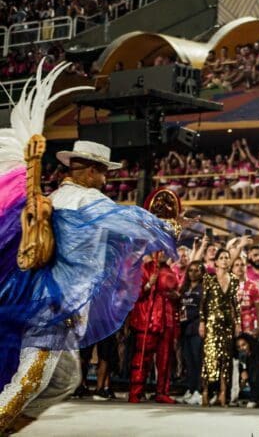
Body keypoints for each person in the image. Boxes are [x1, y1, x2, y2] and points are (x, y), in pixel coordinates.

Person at [0, 69, 178, 436]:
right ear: (89, 171)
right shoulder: (87, 199)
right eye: (103, 172)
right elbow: (125, 220)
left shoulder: (59, 197)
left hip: (53, 303)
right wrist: (167, 228)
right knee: (31, 380)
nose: (106, 179)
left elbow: (113, 237)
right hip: (52, 306)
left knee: (64, 380)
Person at [128, 252, 180, 404]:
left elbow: (175, 293)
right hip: (148, 319)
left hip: (167, 319)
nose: (163, 253)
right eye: (160, 249)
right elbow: (135, 293)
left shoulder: (170, 270)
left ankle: (162, 392)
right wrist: (149, 285)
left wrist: (175, 296)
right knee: (142, 357)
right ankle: (136, 392)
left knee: (165, 360)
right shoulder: (144, 268)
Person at [200, 249, 240, 407]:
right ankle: (205, 392)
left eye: (227, 258)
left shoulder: (234, 279)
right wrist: (202, 322)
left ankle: (222, 394)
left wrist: (238, 322)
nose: (224, 260)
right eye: (221, 258)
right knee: (210, 359)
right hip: (211, 323)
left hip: (227, 324)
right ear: (215, 261)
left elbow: (235, 303)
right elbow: (203, 302)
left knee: (226, 359)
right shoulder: (208, 278)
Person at [179, 261, 204, 406]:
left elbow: (202, 308)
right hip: (185, 328)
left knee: (197, 360)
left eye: (197, 270)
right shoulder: (185, 288)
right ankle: (190, 388)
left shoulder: (203, 289)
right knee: (188, 361)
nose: (193, 273)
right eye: (190, 270)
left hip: (196, 327)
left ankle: (198, 391)